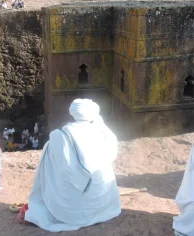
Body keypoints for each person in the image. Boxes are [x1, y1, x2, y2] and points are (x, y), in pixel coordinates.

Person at [18, 99, 121, 231]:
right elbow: (111, 157)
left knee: (50, 159)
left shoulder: (60, 136)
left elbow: (60, 169)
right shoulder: (105, 132)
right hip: (104, 204)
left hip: (73, 211)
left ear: (71, 114)